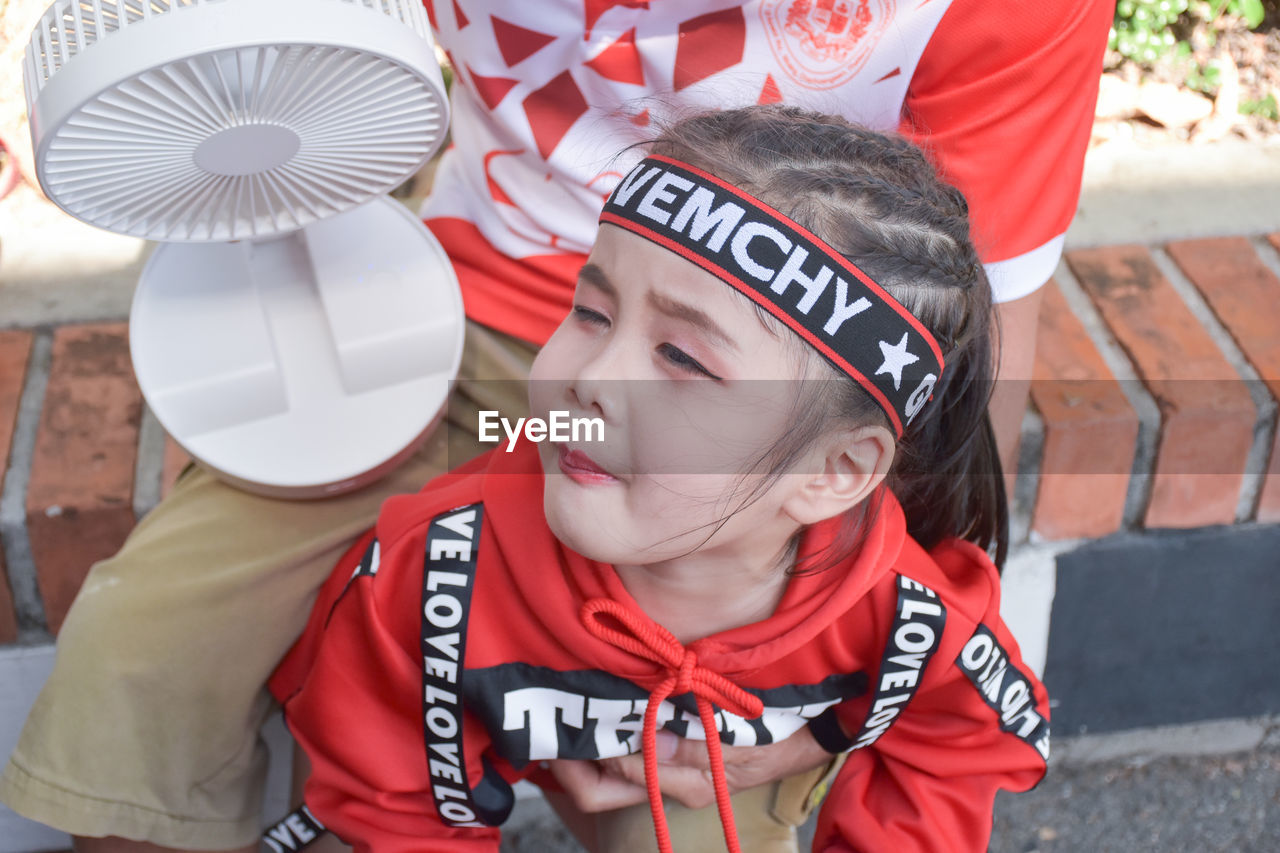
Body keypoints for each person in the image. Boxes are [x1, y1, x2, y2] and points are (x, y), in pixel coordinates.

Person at [0, 2, 1111, 851]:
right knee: (137, 674)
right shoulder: (520, 437)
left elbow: (959, 366)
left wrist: (810, 715)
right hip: (436, 314)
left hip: (740, 415)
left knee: (705, 816)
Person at [270, 105, 1050, 853]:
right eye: (592, 312)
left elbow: (959, 741)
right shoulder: (431, 575)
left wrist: (815, 737)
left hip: (708, 771)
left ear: (834, 471)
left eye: (682, 358)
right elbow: (390, 804)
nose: (594, 380)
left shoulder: (911, 619)